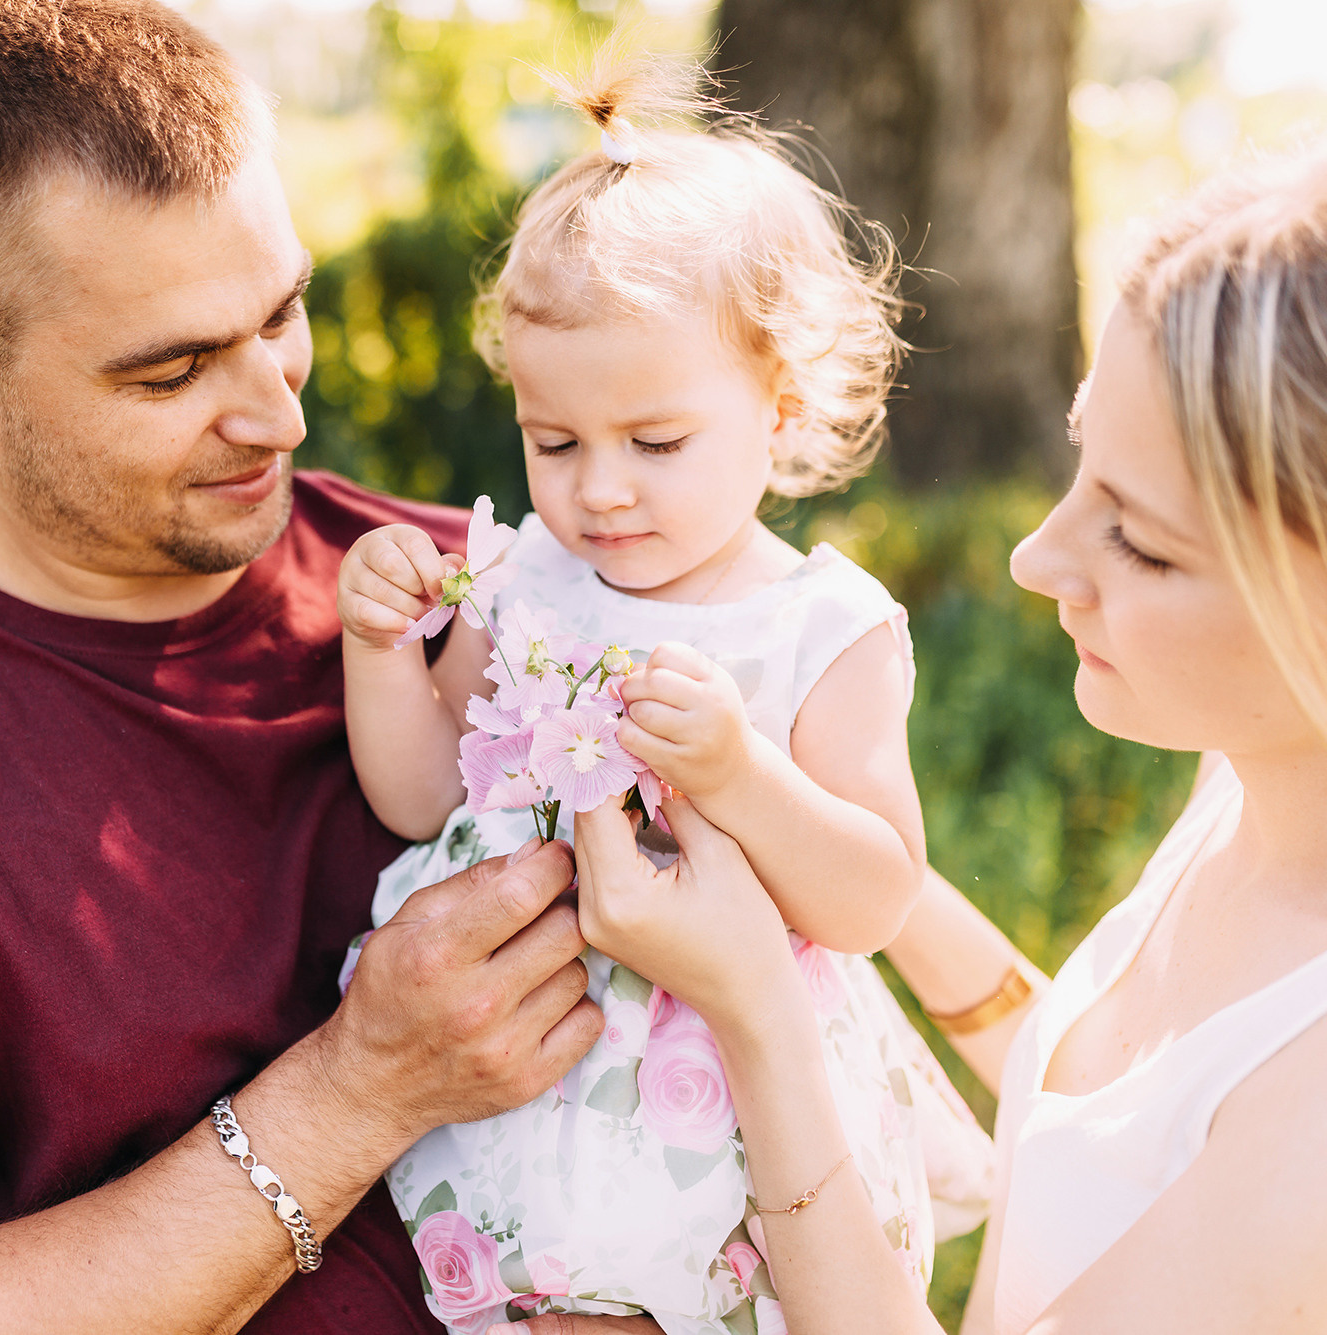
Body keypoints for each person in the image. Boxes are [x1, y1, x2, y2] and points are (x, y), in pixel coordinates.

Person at [0, 3, 608, 1331]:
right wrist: (361, 1086)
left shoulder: (487, 600)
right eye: (175, 371)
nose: (279, 408)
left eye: (282, 313)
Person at [537, 131, 1327, 1335]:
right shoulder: (1270, 771)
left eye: (1142, 542)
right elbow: (1117, 1108)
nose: (1034, 558)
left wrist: (755, 1006)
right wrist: (821, 843)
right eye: (1080, 467)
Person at [334, 59, 992, 1334]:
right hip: (532, 1060)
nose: (599, 492)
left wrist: (742, 775)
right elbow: (421, 794)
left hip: (727, 1103)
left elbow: (869, 896)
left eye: (654, 442)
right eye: (552, 441)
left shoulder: (819, 627)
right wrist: (378, 648)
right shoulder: (531, 579)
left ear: (778, 407)